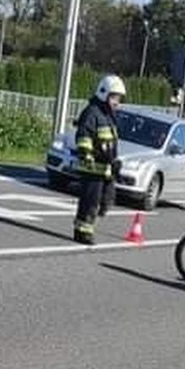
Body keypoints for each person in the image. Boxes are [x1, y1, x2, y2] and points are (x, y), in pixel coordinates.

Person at [72, 75, 125, 245]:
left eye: (118, 98)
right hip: (92, 167)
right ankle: (83, 231)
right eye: (114, 97)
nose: (117, 102)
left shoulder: (108, 116)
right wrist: (86, 155)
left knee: (105, 200)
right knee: (90, 201)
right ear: (104, 94)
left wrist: (114, 162)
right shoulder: (92, 112)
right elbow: (84, 136)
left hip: (104, 168)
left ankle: (87, 227)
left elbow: (110, 143)